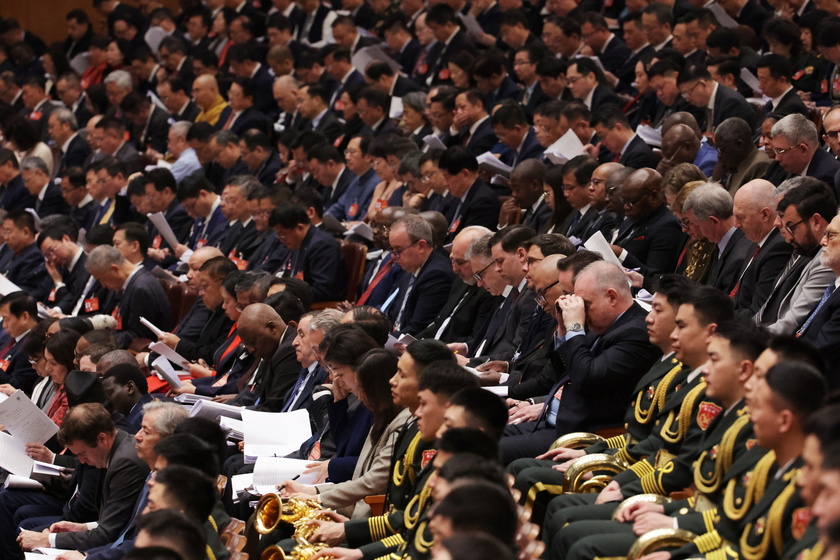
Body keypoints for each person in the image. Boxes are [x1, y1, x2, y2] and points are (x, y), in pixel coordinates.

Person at [500, 260, 662, 462]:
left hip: (583, 433)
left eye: (586, 304)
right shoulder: (603, 322)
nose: (582, 311)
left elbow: (587, 379)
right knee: (477, 433)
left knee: (490, 447)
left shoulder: (636, 332)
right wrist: (562, 330)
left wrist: (575, 328)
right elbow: (562, 372)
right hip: (557, 419)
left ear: (611, 296)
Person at [17, 403, 149, 552]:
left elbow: (109, 534)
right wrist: (82, 527)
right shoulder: (114, 452)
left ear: (102, 439)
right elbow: (111, 522)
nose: (81, 461)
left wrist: (48, 540)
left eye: (82, 454)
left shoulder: (125, 464)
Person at [386, 214, 455, 334]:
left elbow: (418, 329)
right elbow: (393, 315)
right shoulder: (411, 266)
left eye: (398, 250)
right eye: (392, 250)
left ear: (421, 246)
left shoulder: (437, 275)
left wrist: (381, 340)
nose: (393, 256)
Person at [270, 203, 347, 302]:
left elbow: (323, 291)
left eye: (283, 235)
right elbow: (291, 277)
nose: (281, 240)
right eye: (279, 236)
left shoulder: (322, 246)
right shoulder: (298, 242)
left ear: (299, 228)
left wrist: (285, 291)